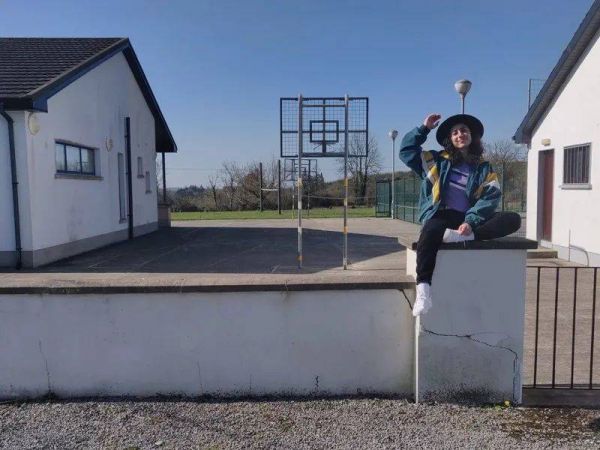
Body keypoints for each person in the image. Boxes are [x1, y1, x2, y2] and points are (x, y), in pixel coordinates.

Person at [399, 113, 521, 316]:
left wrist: (471, 222)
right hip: (441, 214)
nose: (459, 135)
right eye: (454, 133)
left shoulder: (483, 167)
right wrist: (423, 128)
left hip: (468, 218)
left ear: (472, 136)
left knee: (512, 219)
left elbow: (491, 196)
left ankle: (463, 236)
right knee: (429, 231)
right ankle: (424, 291)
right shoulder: (435, 161)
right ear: (450, 139)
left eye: (463, 130)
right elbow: (406, 151)